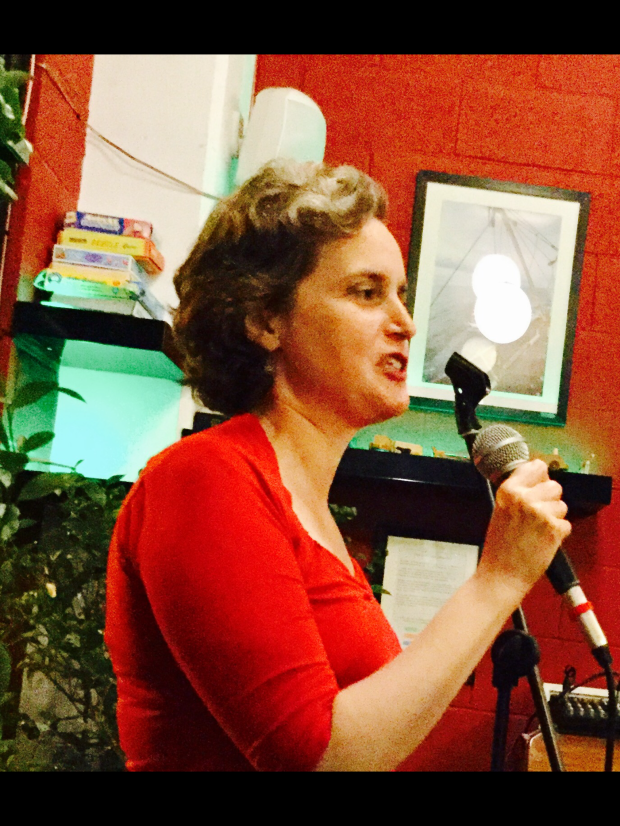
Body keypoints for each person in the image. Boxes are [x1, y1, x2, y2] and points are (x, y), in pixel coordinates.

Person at [104, 159, 571, 772]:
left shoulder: (310, 512)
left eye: (401, 295)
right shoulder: (207, 478)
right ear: (264, 319)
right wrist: (498, 581)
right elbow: (318, 757)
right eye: (366, 293)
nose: (405, 324)